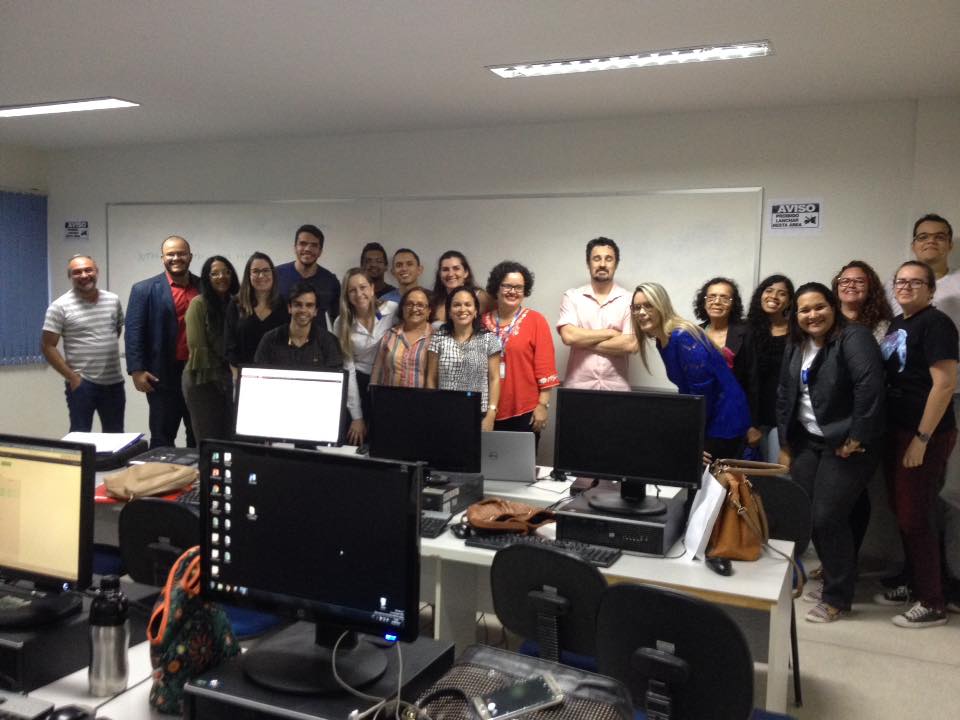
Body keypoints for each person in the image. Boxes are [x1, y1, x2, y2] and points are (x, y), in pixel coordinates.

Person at [776, 282, 884, 623]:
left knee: (827, 517)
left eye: (819, 307)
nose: (812, 315)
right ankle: (836, 576)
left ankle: (838, 596)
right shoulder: (797, 343)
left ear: (833, 307)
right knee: (809, 514)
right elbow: (785, 392)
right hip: (808, 440)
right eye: (804, 310)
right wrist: (785, 443)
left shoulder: (854, 337)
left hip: (848, 443)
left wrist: (857, 435)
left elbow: (870, 386)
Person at [878, 261, 957, 627]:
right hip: (897, 429)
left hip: (925, 433)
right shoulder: (899, 323)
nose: (906, 287)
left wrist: (922, 439)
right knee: (903, 510)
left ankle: (933, 601)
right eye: (901, 281)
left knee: (916, 516)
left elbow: (945, 384)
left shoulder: (937, 324)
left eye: (915, 282)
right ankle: (915, 583)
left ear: (931, 289)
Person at [631, 282, 750, 459]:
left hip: (724, 422)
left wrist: (693, 437)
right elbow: (688, 390)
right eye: (636, 307)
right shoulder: (662, 339)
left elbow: (703, 394)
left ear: (661, 306)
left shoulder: (682, 337)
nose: (641, 312)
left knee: (703, 473)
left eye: (648, 305)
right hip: (709, 415)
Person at [830, 259, 895, 565]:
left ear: (871, 288)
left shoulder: (884, 326)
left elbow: (878, 377)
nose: (851, 285)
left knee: (854, 494)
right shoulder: (826, 320)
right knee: (831, 498)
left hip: (863, 420)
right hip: (828, 420)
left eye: (859, 281)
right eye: (845, 280)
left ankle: (847, 563)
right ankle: (835, 562)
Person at [125, 235, 200, 448]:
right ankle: (162, 471)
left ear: (190, 256)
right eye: (170, 254)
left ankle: (197, 471)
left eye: (181, 253)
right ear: (162, 258)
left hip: (198, 374)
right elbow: (134, 332)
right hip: (162, 376)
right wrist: (137, 370)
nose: (176, 258)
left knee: (198, 435)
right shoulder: (144, 289)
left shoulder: (204, 287)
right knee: (162, 437)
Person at [41, 254, 125, 432]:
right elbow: (47, 346)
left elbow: (115, 330)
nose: (84, 275)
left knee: (116, 437)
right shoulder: (59, 306)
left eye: (88, 270)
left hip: (114, 383)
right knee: (80, 436)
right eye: (77, 272)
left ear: (96, 272)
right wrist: (72, 377)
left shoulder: (113, 300)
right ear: (70, 276)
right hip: (82, 384)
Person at [481, 261, 559, 446]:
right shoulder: (481, 322)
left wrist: (543, 405)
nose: (513, 291)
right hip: (485, 409)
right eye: (507, 286)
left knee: (520, 463)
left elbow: (545, 367)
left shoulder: (536, 321)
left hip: (525, 410)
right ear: (497, 287)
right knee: (485, 461)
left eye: (518, 287)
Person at [557, 237, 637, 390]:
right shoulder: (572, 297)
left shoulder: (630, 300)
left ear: (616, 264)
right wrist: (611, 333)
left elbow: (630, 344)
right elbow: (569, 336)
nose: (602, 264)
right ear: (588, 263)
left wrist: (582, 341)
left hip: (617, 388)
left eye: (609, 259)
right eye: (596, 258)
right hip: (577, 388)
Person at [693, 277, 760, 449]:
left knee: (729, 465)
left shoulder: (745, 332)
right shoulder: (695, 333)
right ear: (704, 302)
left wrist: (752, 424)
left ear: (733, 304)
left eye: (724, 297)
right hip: (702, 416)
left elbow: (753, 381)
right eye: (711, 297)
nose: (717, 302)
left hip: (735, 417)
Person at [333, 268, 395, 445]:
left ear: (372, 288)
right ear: (346, 295)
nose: (359, 294)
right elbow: (348, 369)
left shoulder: (392, 310)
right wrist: (357, 417)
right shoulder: (342, 323)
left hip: (387, 381)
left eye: (363, 287)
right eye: (352, 290)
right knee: (355, 438)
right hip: (358, 384)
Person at [427, 286, 501, 431]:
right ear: (449, 311)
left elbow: (494, 378)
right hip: (445, 412)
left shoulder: (489, 339)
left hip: (479, 413)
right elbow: (431, 378)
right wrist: (434, 408)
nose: (462, 309)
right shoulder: (438, 338)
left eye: (468, 304)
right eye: (456, 305)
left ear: (476, 311)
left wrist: (491, 413)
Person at [182, 255, 239, 443]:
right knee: (209, 439)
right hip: (203, 379)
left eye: (226, 272)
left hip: (231, 379)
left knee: (232, 438)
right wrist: (227, 373)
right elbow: (198, 348)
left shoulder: (237, 303)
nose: (221, 277)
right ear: (207, 278)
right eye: (215, 273)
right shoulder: (199, 303)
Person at [746, 274, 795, 461]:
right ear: (761, 294)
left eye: (782, 293)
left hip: (783, 418)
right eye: (769, 290)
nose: (774, 296)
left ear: (789, 301)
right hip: (752, 417)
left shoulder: (797, 332)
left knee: (778, 472)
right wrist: (748, 423)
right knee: (750, 474)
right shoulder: (746, 330)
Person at [254, 281, 344, 370]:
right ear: (289, 308)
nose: (303, 310)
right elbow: (259, 375)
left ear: (315, 311)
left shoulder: (329, 342)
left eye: (309, 305)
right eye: (298, 305)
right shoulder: (269, 340)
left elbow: (336, 377)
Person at [224, 252, 289, 370]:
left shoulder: (284, 305)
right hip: (244, 373)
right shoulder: (236, 304)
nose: (261, 275)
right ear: (248, 275)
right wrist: (236, 375)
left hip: (276, 373)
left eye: (266, 270)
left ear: (273, 274)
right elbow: (230, 344)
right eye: (256, 271)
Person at [275, 224, 340, 326]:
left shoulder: (330, 281)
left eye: (314, 245)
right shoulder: (276, 275)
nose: (307, 249)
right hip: (280, 335)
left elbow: (338, 320)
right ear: (295, 247)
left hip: (318, 336)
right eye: (303, 243)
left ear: (320, 251)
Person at [370, 287, 434, 388]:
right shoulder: (390, 335)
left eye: (420, 305)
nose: (414, 309)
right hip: (389, 396)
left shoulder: (436, 338)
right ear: (402, 309)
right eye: (409, 304)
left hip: (423, 397)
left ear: (429, 311)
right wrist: (373, 392)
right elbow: (377, 369)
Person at [430, 250, 492, 324]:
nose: (450, 274)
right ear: (440, 274)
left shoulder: (480, 297)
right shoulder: (434, 301)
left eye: (456, 268)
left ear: (466, 272)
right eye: (445, 269)